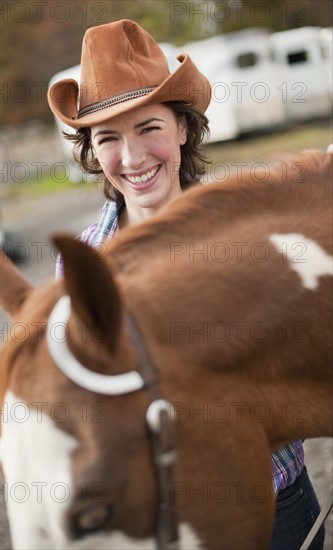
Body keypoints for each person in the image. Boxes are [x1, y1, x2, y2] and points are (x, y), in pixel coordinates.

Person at [48, 19, 324, 549]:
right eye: (108, 138)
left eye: (149, 128)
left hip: (275, 499)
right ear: (91, 151)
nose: (132, 159)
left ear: (181, 127)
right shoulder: (80, 266)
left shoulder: (248, 230)